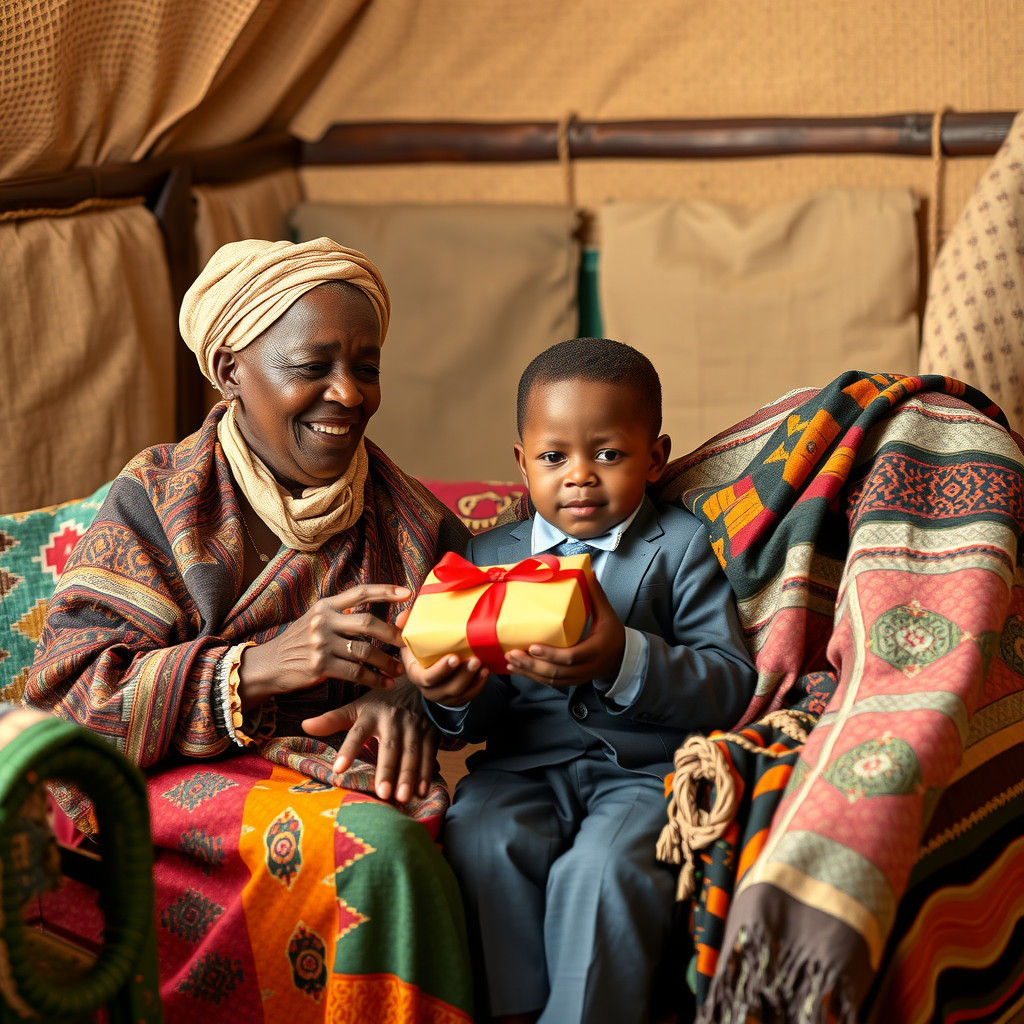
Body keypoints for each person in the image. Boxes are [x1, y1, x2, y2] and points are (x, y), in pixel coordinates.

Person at [26, 237, 474, 1024]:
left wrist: (410, 699)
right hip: (155, 792)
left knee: (448, 837)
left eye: (365, 367)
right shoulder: (159, 499)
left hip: (322, 784)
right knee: (379, 857)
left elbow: (464, 671)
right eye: (313, 367)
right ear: (230, 372)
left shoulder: (415, 524)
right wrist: (254, 668)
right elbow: (66, 701)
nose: (348, 394)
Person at [401, 338, 757, 1024]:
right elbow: (474, 707)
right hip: (520, 769)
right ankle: (513, 1011)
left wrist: (621, 657)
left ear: (654, 458)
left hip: (640, 772)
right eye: (554, 457)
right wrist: (451, 695)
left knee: (599, 870)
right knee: (480, 834)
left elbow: (730, 683)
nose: (580, 478)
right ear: (521, 463)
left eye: (609, 454)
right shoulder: (486, 555)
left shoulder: (680, 547)